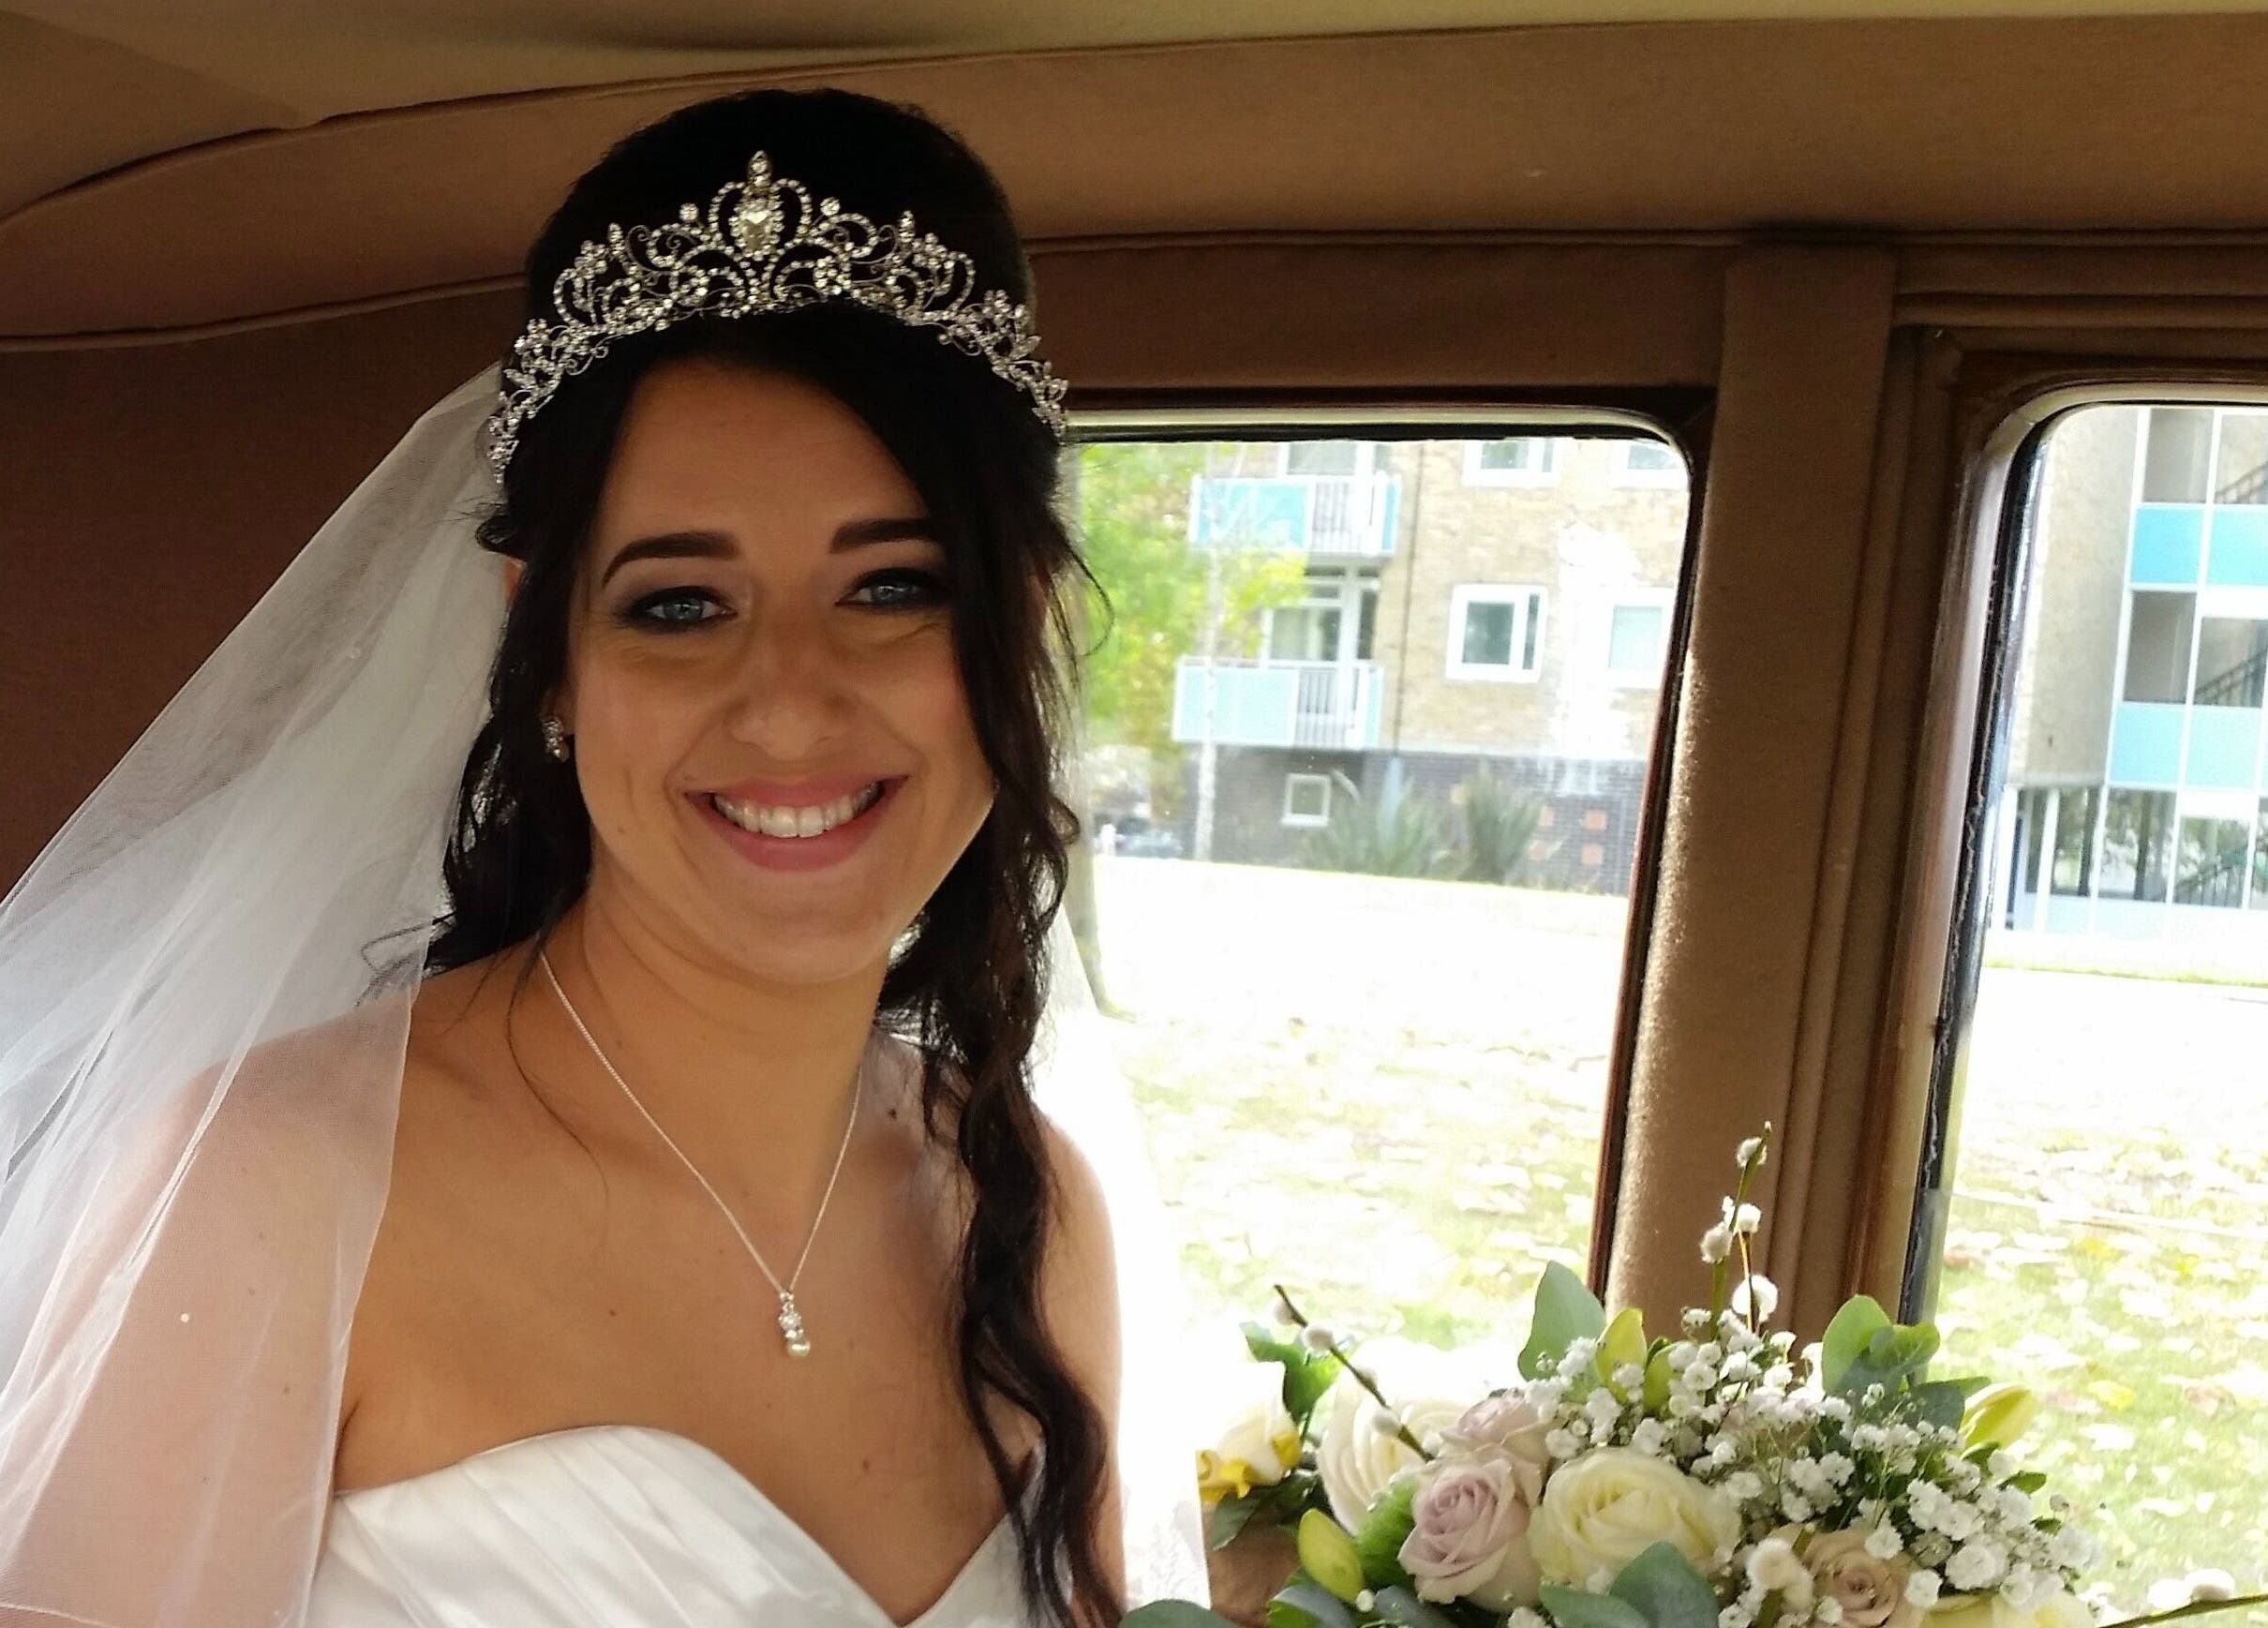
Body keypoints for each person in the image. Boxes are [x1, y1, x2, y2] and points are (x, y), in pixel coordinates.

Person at [0, 87, 1207, 1628]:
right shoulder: (269, 1191)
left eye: (894, 585)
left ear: (1019, 621)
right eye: (678, 605)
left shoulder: (1033, 1213)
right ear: (550, 653)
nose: (789, 702)